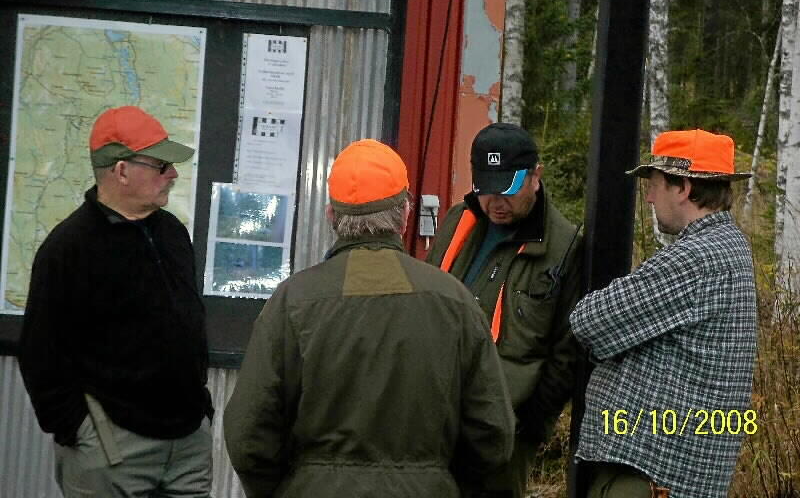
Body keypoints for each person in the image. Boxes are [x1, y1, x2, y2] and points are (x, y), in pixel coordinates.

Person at [224, 138, 515, 497]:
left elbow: (248, 435)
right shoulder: (454, 301)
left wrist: (291, 488)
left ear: (332, 216)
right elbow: (493, 434)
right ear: (405, 214)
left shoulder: (293, 301)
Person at [18, 105, 213, 498]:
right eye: (161, 165)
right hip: (114, 447)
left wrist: (203, 412)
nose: (173, 175)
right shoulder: (69, 247)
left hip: (187, 442)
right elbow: (41, 353)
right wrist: (79, 430)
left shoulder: (173, 232)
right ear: (121, 170)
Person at [570, 129, 757, 498]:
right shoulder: (727, 245)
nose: (650, 197)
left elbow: (588, 320)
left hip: (653, 475)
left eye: (654, 185)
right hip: (673, 473)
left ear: (683, 187)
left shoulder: (697, 257)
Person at [426, 122, 583, 498]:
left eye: (508, 189)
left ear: (535, 177)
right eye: (487, 188)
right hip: (432, 421)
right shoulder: (457, 223)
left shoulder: (566, 248)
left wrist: (528, 428)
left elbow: (567, 352)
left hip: (503, 440)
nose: (496, 202)